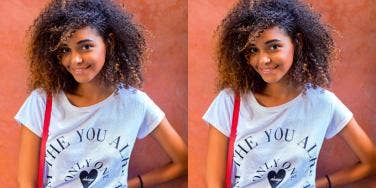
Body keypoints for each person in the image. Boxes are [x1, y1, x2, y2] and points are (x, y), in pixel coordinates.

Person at [203, 0, 376, 187]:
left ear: (297, 42)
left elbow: (371, 162)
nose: (263, 59)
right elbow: (213, 182)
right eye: (253, 50)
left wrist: (321, 184)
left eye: (273, 46)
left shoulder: (323, 103)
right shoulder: (230, 101)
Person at [15, 0, 187, 187]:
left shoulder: (135, 103)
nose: (76, 59)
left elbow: (183, 162)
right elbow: (25, 181)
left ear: (109, 42)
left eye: (86, 46)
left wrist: (132, 184)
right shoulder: (42, 101)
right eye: (65, 50)